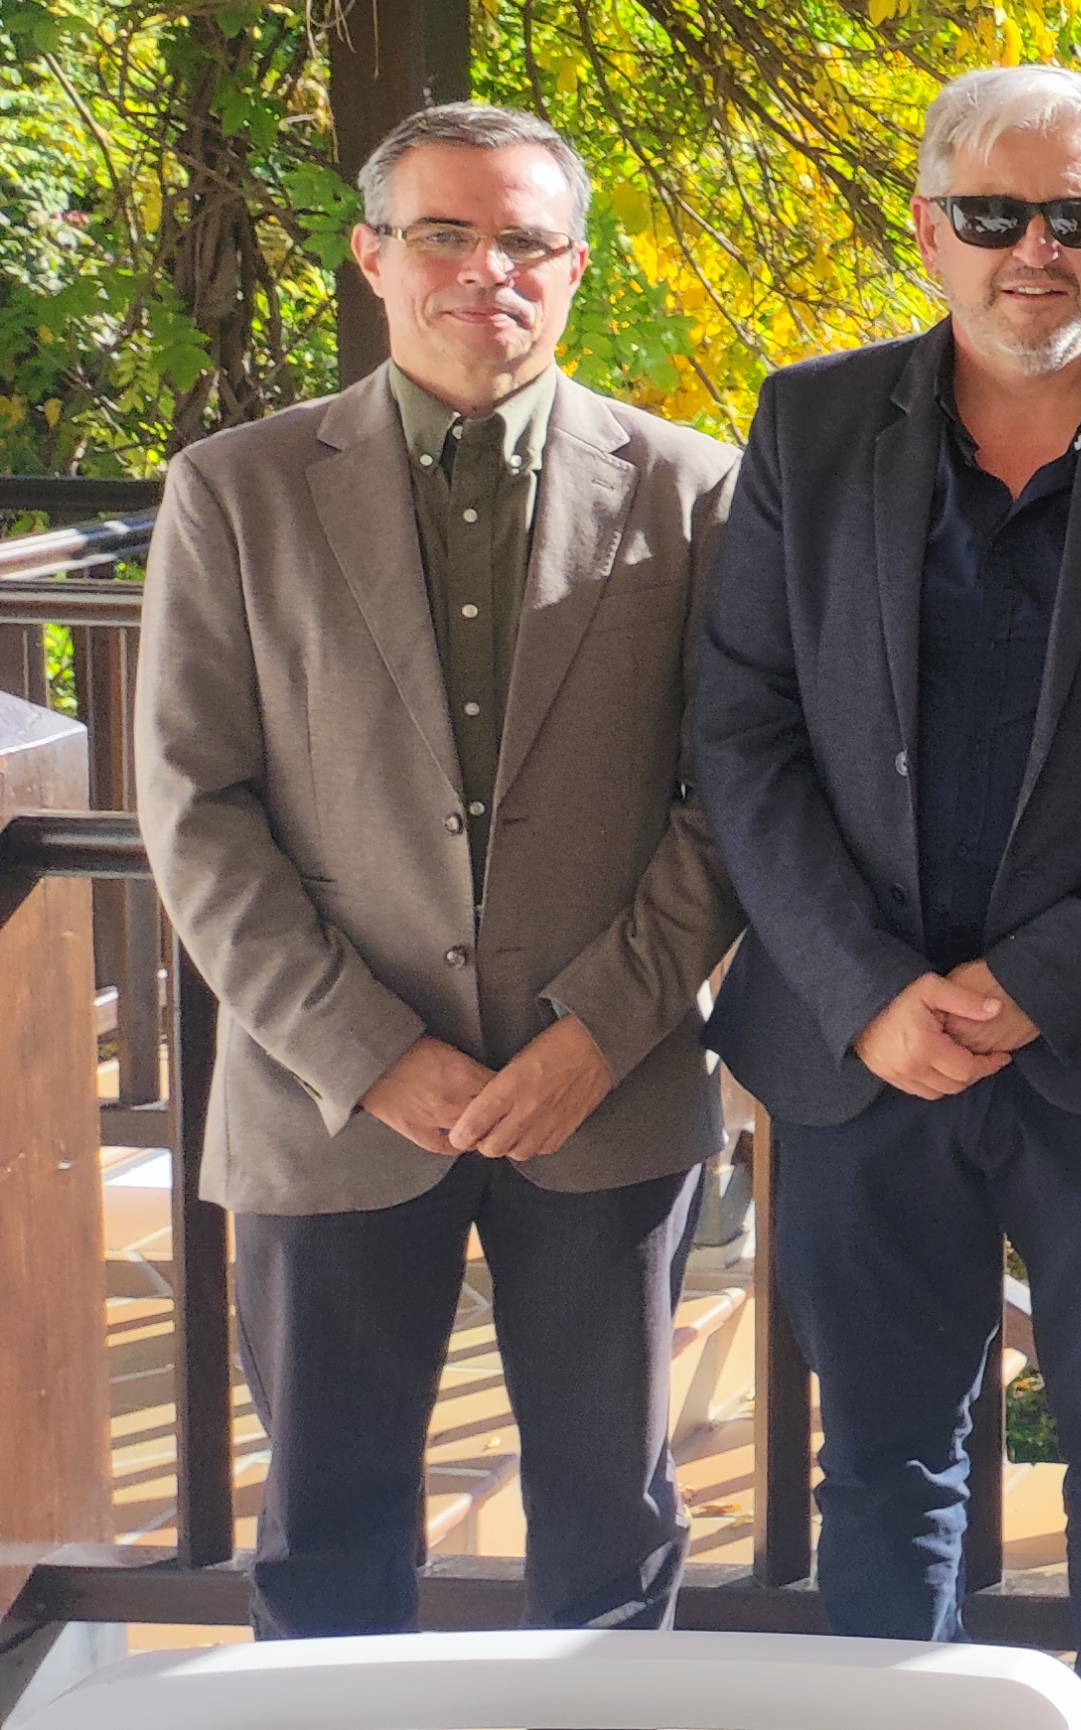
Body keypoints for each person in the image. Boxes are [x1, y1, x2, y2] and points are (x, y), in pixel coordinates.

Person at [694, 66, 1081, 1730]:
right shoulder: (809, 427)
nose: (1033, 251)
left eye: (1080, 215)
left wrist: (1043, 978)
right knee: (886, 1452)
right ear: (927, 229)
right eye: (992, 215)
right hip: (858, 1045)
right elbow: (740, 731)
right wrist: (862, 989)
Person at [136, 103, 741, 1640]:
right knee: (328, 1537)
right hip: (328, 1099)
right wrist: (370, 1051)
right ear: (373, 255)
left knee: (611, 1536)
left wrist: (594, 1033)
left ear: (576, 264)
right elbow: (196, 809)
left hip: (601, 1099)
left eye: (527, 238)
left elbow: (730, 800)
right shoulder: (236, 489)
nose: (490, 270)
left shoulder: (695, 491)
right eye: (446, 234)